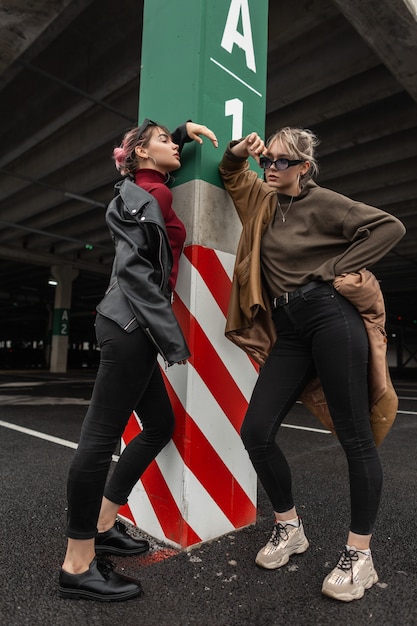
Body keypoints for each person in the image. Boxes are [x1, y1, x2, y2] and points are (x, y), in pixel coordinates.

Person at [218, 127, 405, 602]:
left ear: (304, 167)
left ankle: (359, 556)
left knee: (354, 436)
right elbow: (230, 172)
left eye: (282, 162)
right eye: (269, 160)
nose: (271, 168)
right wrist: (241, 150)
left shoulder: (324, 203)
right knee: (255, 430)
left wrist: (335, 269)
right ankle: (289, 527)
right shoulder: (263, 201)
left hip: (329, 315)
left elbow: (388, 226)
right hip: (290, 327)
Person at [59, 119, 218, 602]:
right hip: (132, 326)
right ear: (145, 156)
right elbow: (134, 273)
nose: (176, 146)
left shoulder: (143, 188)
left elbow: (144, 153)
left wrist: (181, 130)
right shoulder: (150, 197)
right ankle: (77, 563)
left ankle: (105, 524)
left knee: (158, 425)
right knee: (98, 439)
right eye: (167, 142)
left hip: (133, 327)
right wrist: (172, 338)